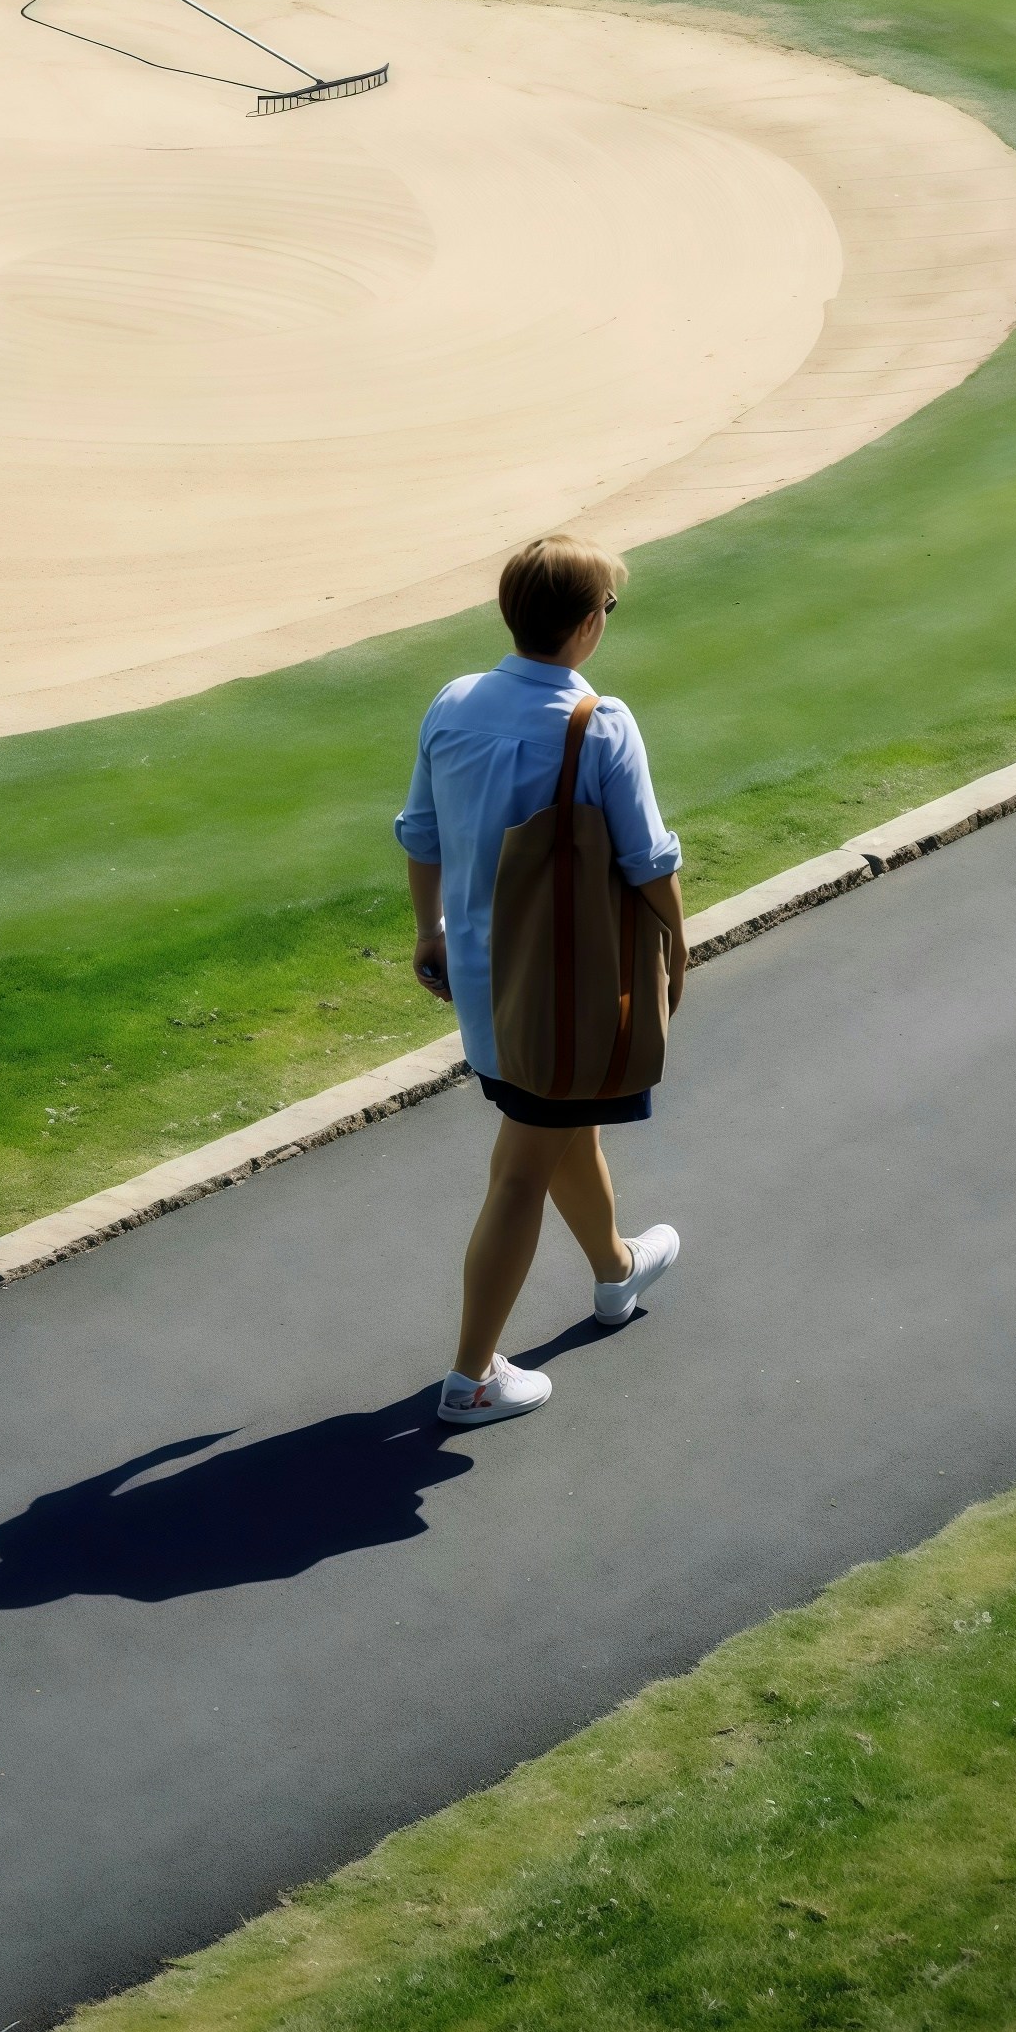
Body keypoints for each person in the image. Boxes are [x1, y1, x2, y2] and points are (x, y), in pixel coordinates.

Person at [396, 534, 687, 1426]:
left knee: (563, 1125)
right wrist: (678, 949)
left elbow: (420, 833)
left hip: (483, 984)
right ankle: (470, 1379)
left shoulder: (452, 703)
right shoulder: (599, 723)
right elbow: (647, 859)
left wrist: (427, 930)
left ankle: (615, 1271)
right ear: (588, 623)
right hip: (565, 988)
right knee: (521, 1168)